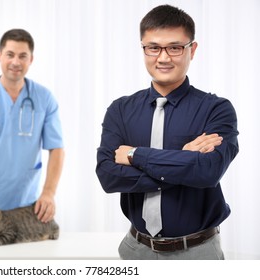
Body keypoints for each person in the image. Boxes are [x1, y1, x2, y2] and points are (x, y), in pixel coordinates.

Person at [96, 5, 239, 260]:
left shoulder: (216, 109)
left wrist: (135, 155)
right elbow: (108, 176)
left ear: (192, 50)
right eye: (153, 47)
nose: (163, 58)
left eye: (175, 47)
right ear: (143, 48)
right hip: (135, 249)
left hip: (197, 253)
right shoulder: (120, 110)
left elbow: (208, 172)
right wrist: (183, 162)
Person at [0, 29, 64, 225]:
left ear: (31, 59)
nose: (16, 62)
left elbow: (57, 149)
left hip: (29, 207)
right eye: (10, 54)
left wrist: (49, 193)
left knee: (29, 253)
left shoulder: (44, 99)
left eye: (23, 56)